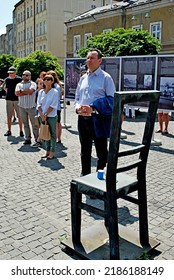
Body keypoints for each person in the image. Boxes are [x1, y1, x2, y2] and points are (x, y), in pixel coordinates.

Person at [75, 48, 115, 176]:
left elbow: (111, 100)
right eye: (88, 58)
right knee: (85, 150)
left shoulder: (106, 78)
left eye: (92, 58)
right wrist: (77, 108)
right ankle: (85, 175)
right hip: (83, 119)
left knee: (101, 151)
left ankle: (100, 176)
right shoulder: (83, 78)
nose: (89, 60)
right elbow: (77, 97)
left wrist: (93, 108)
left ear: (100, 61)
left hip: (98, 119)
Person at [37, 74, 58, 159]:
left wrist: (46, 114)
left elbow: (53, 105)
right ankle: (47, 151)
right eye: (45, 79)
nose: (46, 81)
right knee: (45, 133)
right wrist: (41, 114)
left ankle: (52, 151)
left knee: (52, 134)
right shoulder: (40, 92)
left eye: (49, 79)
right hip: (41, 115)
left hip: (51, 115)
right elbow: (38, 104)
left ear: (52, 81)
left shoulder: (55, 92)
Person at [15, 70, 39, 145]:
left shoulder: (33, 84)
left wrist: (22, 92)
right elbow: (16, 93)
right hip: (22, 106)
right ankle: (27, 138)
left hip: (31, 106)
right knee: (25, 124)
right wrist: (26, 92)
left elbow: (31, 92)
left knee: (34, 124)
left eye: (27, 75)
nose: (25, 76)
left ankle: (37, 139)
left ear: (30, 76)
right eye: (24, 74)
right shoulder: (19, 84)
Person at [4, 67, 24, 137]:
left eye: (12, 73)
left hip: (17, 99)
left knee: (19, 116)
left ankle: (21, 131)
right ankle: (9, 130)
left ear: (15, 73)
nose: (10, 74)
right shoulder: (7, 79)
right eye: (9, 73)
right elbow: (5, 88)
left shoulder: (19, 79)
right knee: (9, 116)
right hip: (9, 99)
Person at [46, 70, 63, 144]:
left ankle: (56, 138)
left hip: (56, 108)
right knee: (57, 123)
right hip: (56, 107)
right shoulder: (56, 85)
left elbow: (57, 97)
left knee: (56, 123)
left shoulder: (56, 86)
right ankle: (57, 138)